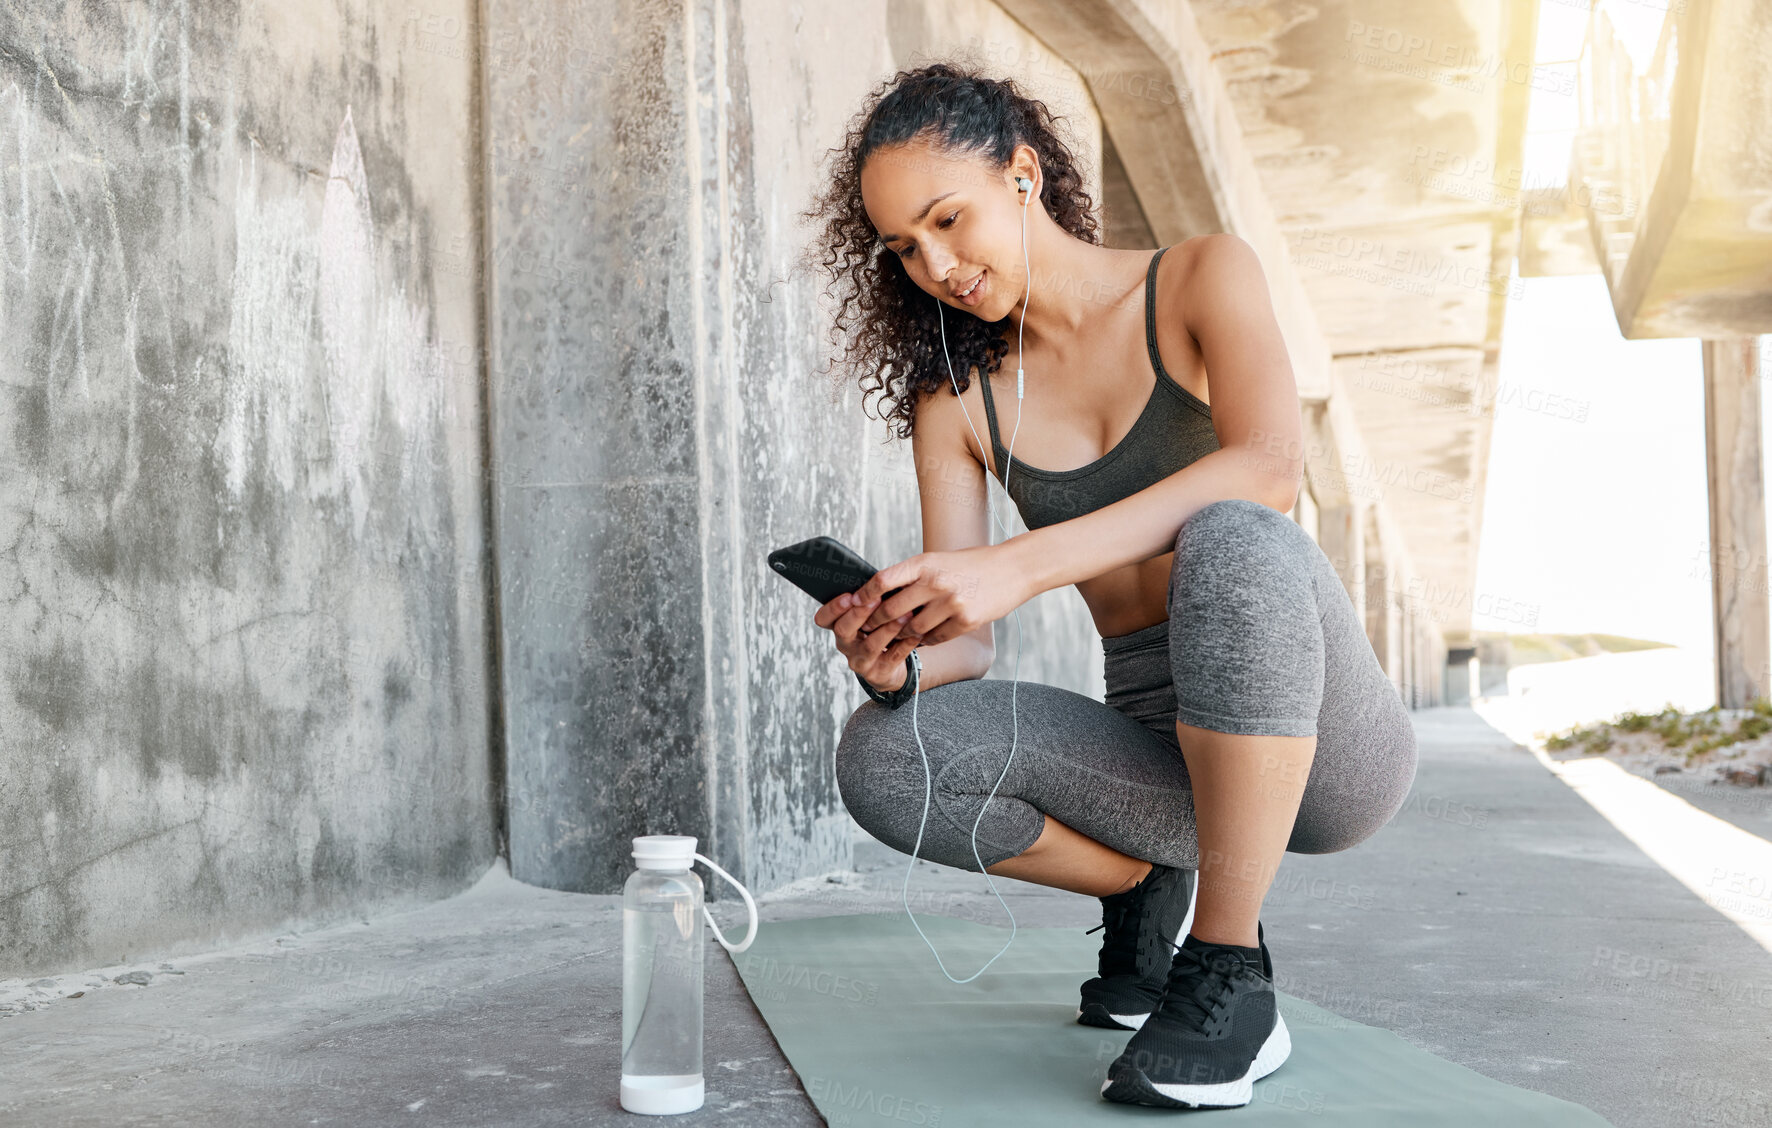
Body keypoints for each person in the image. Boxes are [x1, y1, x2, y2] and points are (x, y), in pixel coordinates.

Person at [797, 60, 1418, 1110]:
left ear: (1024, 175)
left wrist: (1019, 564)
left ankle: (1225, 968)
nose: (936, 264)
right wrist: (896, 660)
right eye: (903, 247)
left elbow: (1269, 465)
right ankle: (1147, 885)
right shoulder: (957, 406)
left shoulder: (1198, 277)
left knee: (1231, 530)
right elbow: (967, 645)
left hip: (1320, 748)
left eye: (949, 220)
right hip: (1159, 762)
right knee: (882, 759)